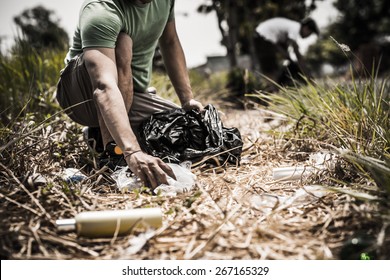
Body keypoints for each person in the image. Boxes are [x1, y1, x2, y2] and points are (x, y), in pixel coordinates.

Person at [56, 0, 204, 189]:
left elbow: (170, 41)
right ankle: (112, 153)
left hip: (132, 94)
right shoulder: (102, 9)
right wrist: (132, 152)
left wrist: (187, 100)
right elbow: (103, 86)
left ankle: (97, 135)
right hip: (81, 97)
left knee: (189, 133)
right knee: (123, 41)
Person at [254, 17, 319, 84]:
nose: (308, 36)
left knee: (274, 66)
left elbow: (281, 47)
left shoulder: (292, 27)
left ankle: (272, 87)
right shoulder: (295, 28)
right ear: (306, 28)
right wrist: (307, 75)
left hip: (262, 35)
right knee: (271, 68)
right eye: (309, 33)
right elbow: (297, 53)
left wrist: (288, 58)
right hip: (264, 35)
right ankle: (271, 88)